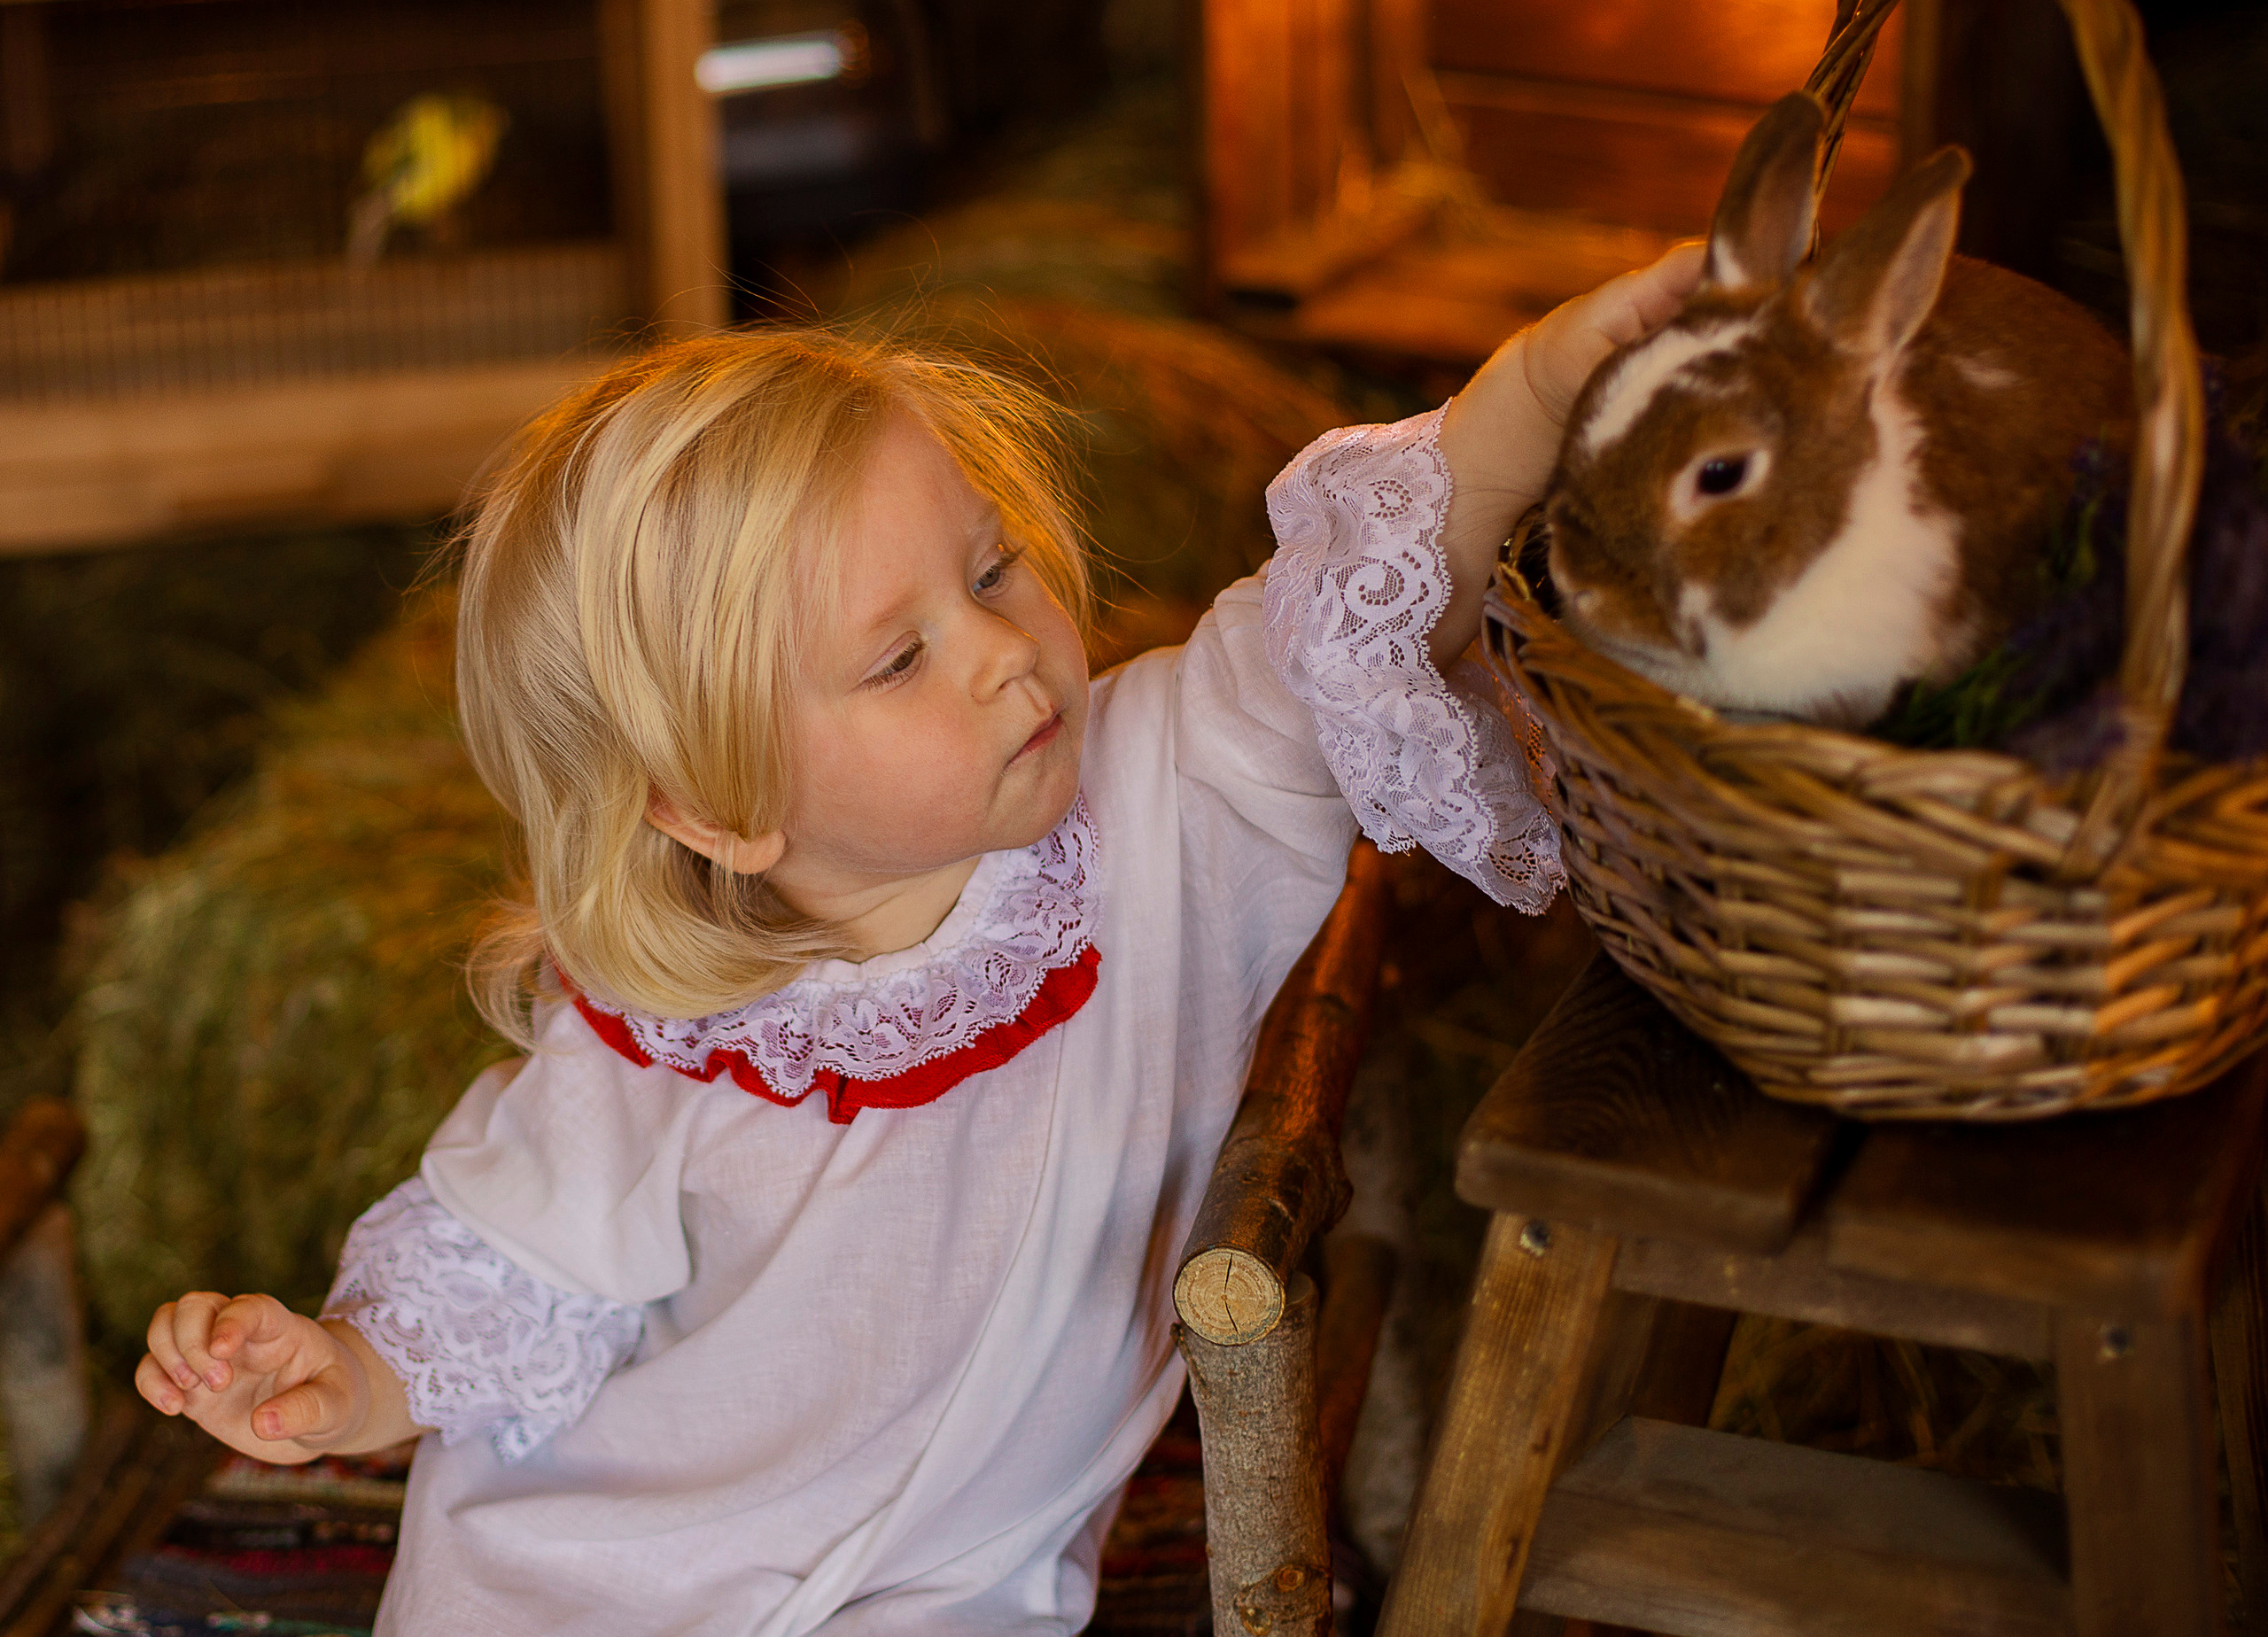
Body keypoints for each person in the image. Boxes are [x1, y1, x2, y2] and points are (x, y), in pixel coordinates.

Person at [135, 244, 1702, 1635]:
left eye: (991, 566)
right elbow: (513, 1271)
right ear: (724, 807)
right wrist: (345, 1377)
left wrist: (1552, 378)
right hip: (601, 1571)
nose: (1006, 654)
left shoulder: (1178, 795)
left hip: (958, 1582)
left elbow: (1376, 571)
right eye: (898, 657)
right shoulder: (664, 1021)